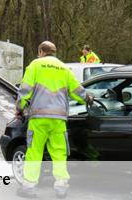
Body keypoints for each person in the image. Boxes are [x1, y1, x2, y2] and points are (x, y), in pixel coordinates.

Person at [16, 41, 93, 198]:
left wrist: (19, 108)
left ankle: (29, 187)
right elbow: (77, 91)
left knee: (34, 152)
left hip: (39, 118)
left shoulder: (35, 65)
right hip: (59, 119)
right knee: (59, 153)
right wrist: (89, 98)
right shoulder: (64, 69)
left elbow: (25, 90)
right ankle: (61, 186)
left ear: (41, 51)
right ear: (54, 52)